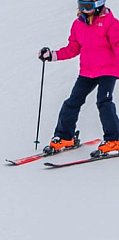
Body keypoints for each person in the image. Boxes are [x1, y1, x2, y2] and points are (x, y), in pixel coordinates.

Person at [39, 0, 119, 157]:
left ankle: (114, 139)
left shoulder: (112, 23)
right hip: (87, 72)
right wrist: (52, 55)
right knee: (72, 102)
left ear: (98, 5)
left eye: (87, 7)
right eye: (81, 5)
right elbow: (73, 48)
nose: (83, 10)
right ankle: (65, 137)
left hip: (108, 70)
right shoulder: (78, 25)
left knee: (103, 102)